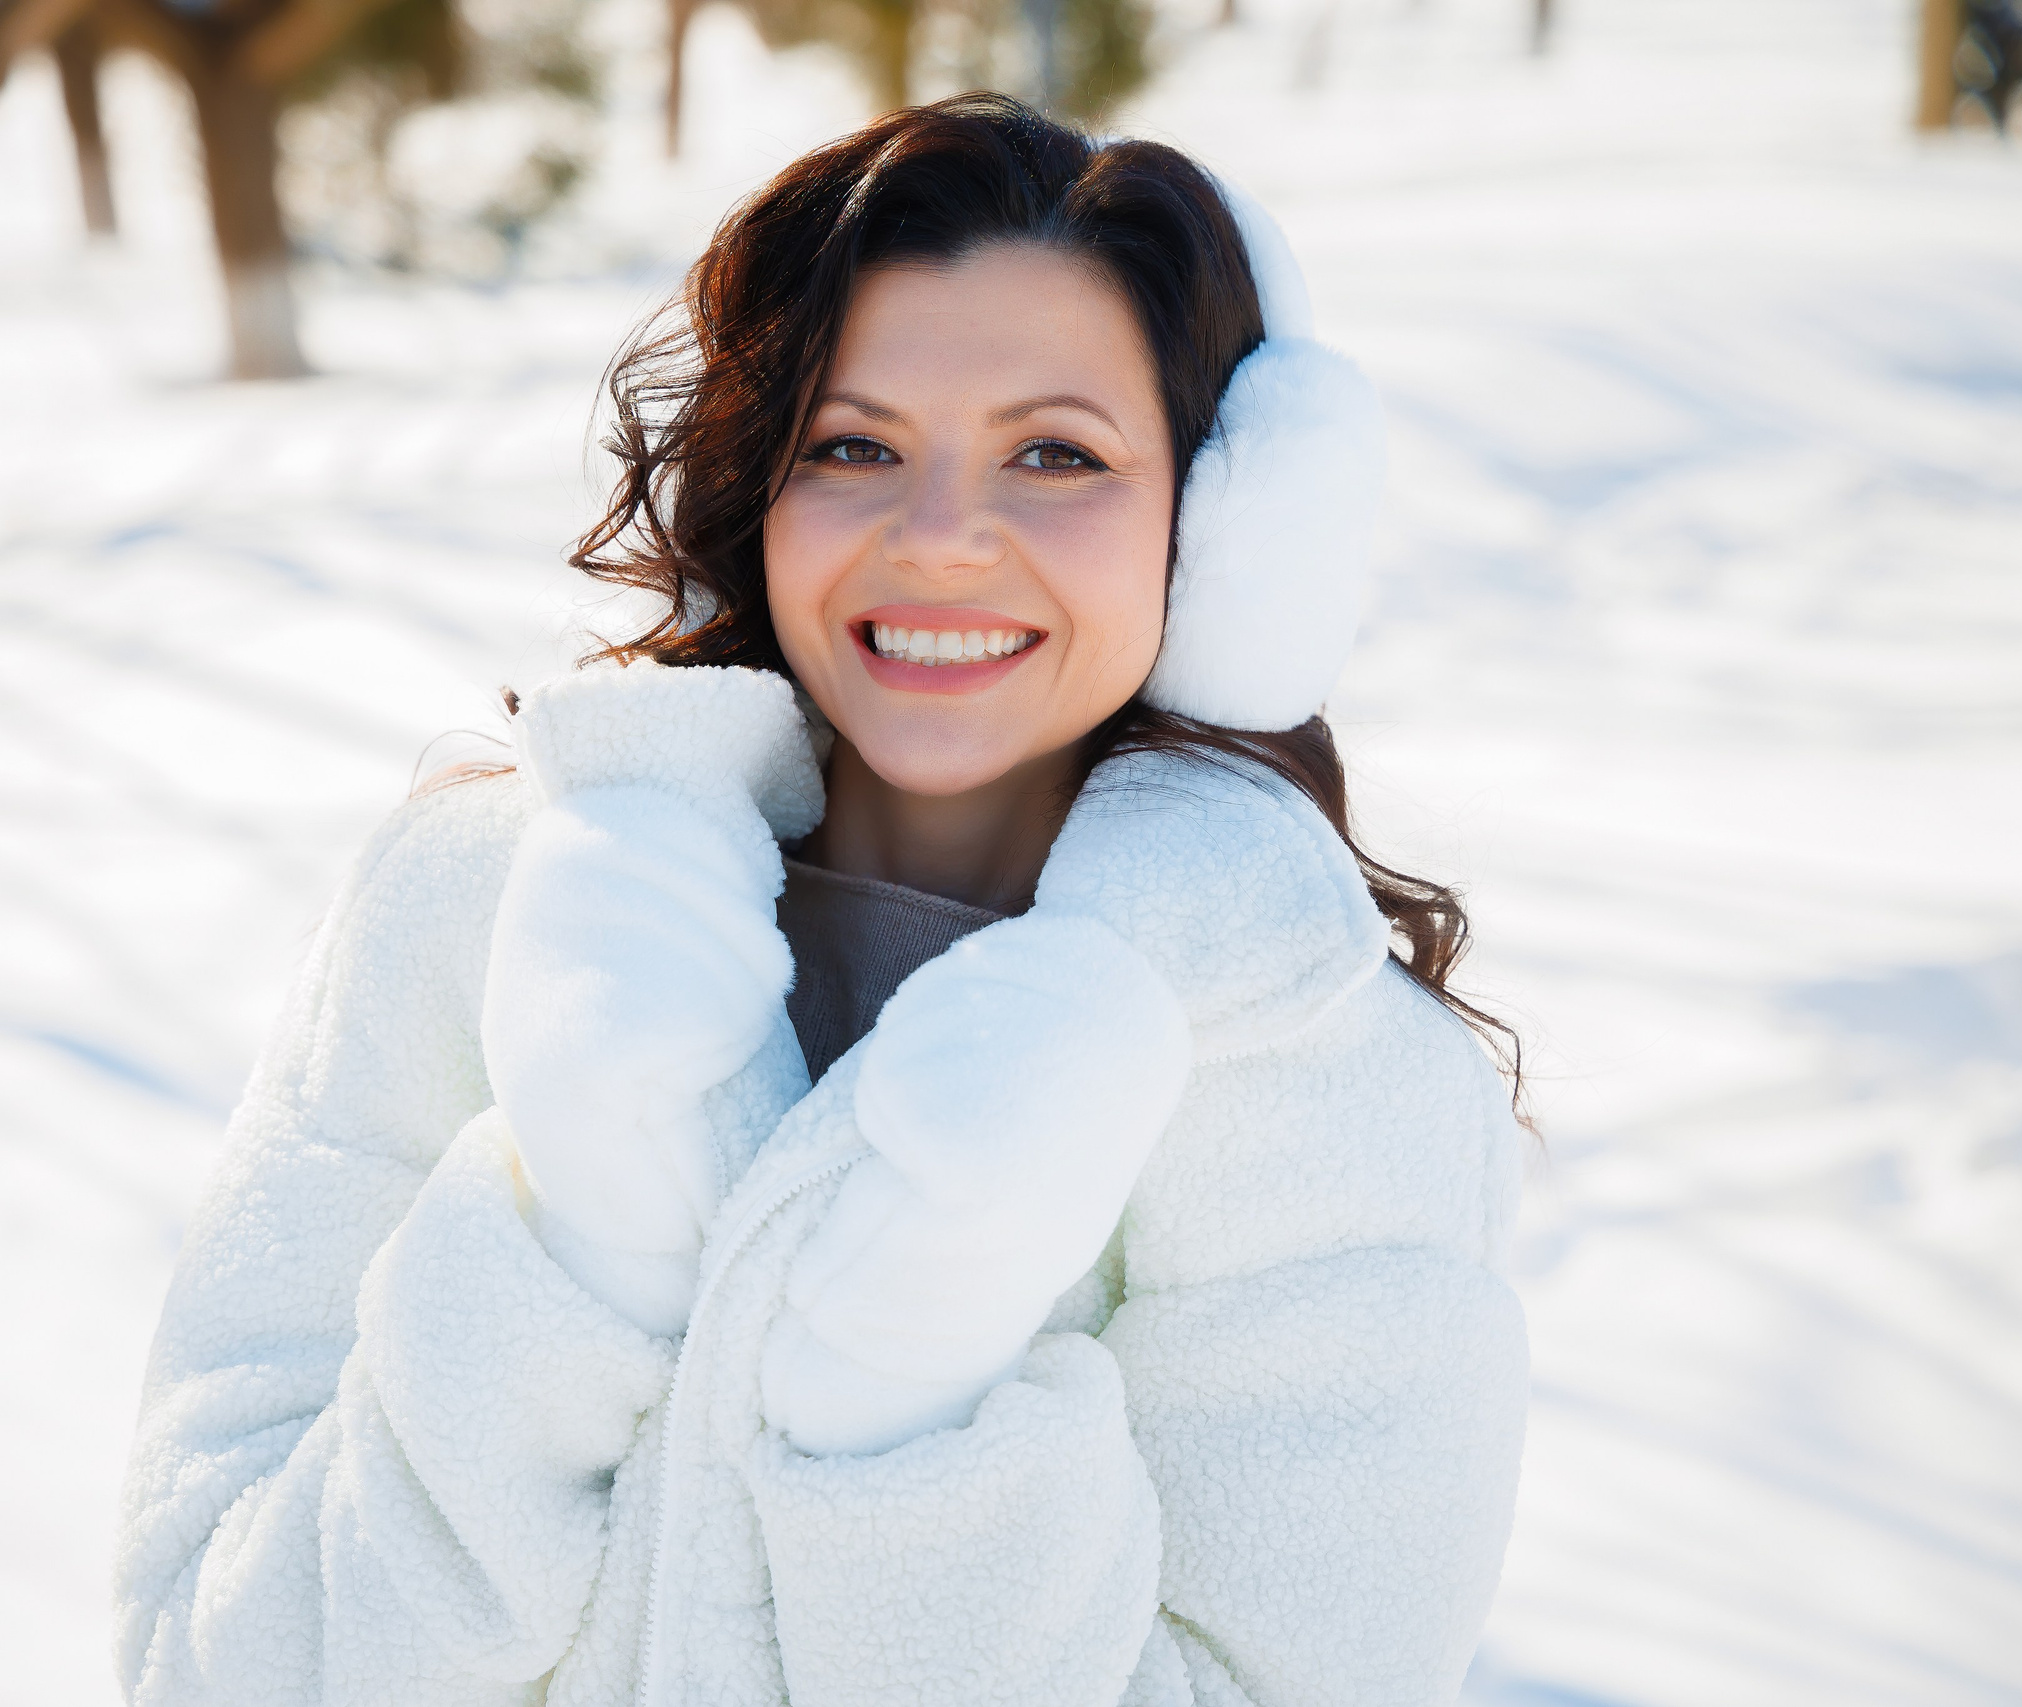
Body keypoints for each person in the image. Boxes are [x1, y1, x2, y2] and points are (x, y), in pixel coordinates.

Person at [113, 92, 1528, 1707]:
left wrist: (909, 1381)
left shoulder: (1327, 1091)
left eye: (1056, 453)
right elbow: (207, 1666)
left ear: (1221, 533)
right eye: (853, 447)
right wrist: (572, 1246)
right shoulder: (484, 919)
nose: (939, 540)